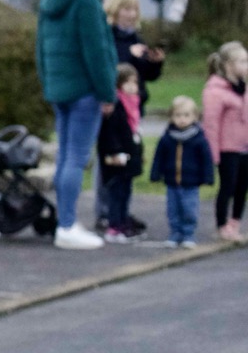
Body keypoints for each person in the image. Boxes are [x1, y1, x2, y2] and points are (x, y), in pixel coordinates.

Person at [35, 0, 116, 250]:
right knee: (76, 159)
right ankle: (67, 225)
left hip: (59, 90)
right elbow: (97, 52)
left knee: (65, 157)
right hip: (84, 91)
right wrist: (107, 92)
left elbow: (40, 49)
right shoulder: (86, 1)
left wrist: (49, 85)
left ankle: (65, 221)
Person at [94, 0, 165, 234]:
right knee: (110, 159)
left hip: (134, 108)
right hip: (114, 109)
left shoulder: (137, 38)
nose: (132, 14)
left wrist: (155, 62)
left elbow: (145, 75)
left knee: (129, 160)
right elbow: (113, 69)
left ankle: (120, 211)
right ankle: (105, 212)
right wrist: (130, 55)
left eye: (134, 9)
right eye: (126, 9)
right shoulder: (107, 37)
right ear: (115, 10)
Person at [149, 95, 216, 248]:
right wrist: (156, 173)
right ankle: (175, 233)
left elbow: (206, 160)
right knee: (173, 210)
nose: (182, 119)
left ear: (195, 117)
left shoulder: (199, 139)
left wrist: (208, 176)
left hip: (191, 183)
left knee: (189, 210)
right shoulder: (167, 138)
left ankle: (188, 233)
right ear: (171, 117)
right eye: (178, 115)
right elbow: (158, 158)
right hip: (172, 182)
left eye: (186, 115)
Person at [201, 41, 248, 242]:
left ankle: (234, 224)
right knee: (228, 187)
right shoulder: (215, 91)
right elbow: (211, 124)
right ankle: (222, 226)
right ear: (229, 65)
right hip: (227, 148)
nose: (246, 65)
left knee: (242, 188)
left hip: (244, 147)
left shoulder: (244, 88)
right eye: (242, 61)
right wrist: (213, 154)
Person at [96, 64, 145, 244]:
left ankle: (123, 223)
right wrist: (116, 151)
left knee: (125, 192)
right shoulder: (115, 105)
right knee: (116, 193)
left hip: (129, 155)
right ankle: (114, 226)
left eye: (135, 82)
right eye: (127, 82)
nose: (132, 87)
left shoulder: (133, 104)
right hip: (117, 156)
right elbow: (110, 132)